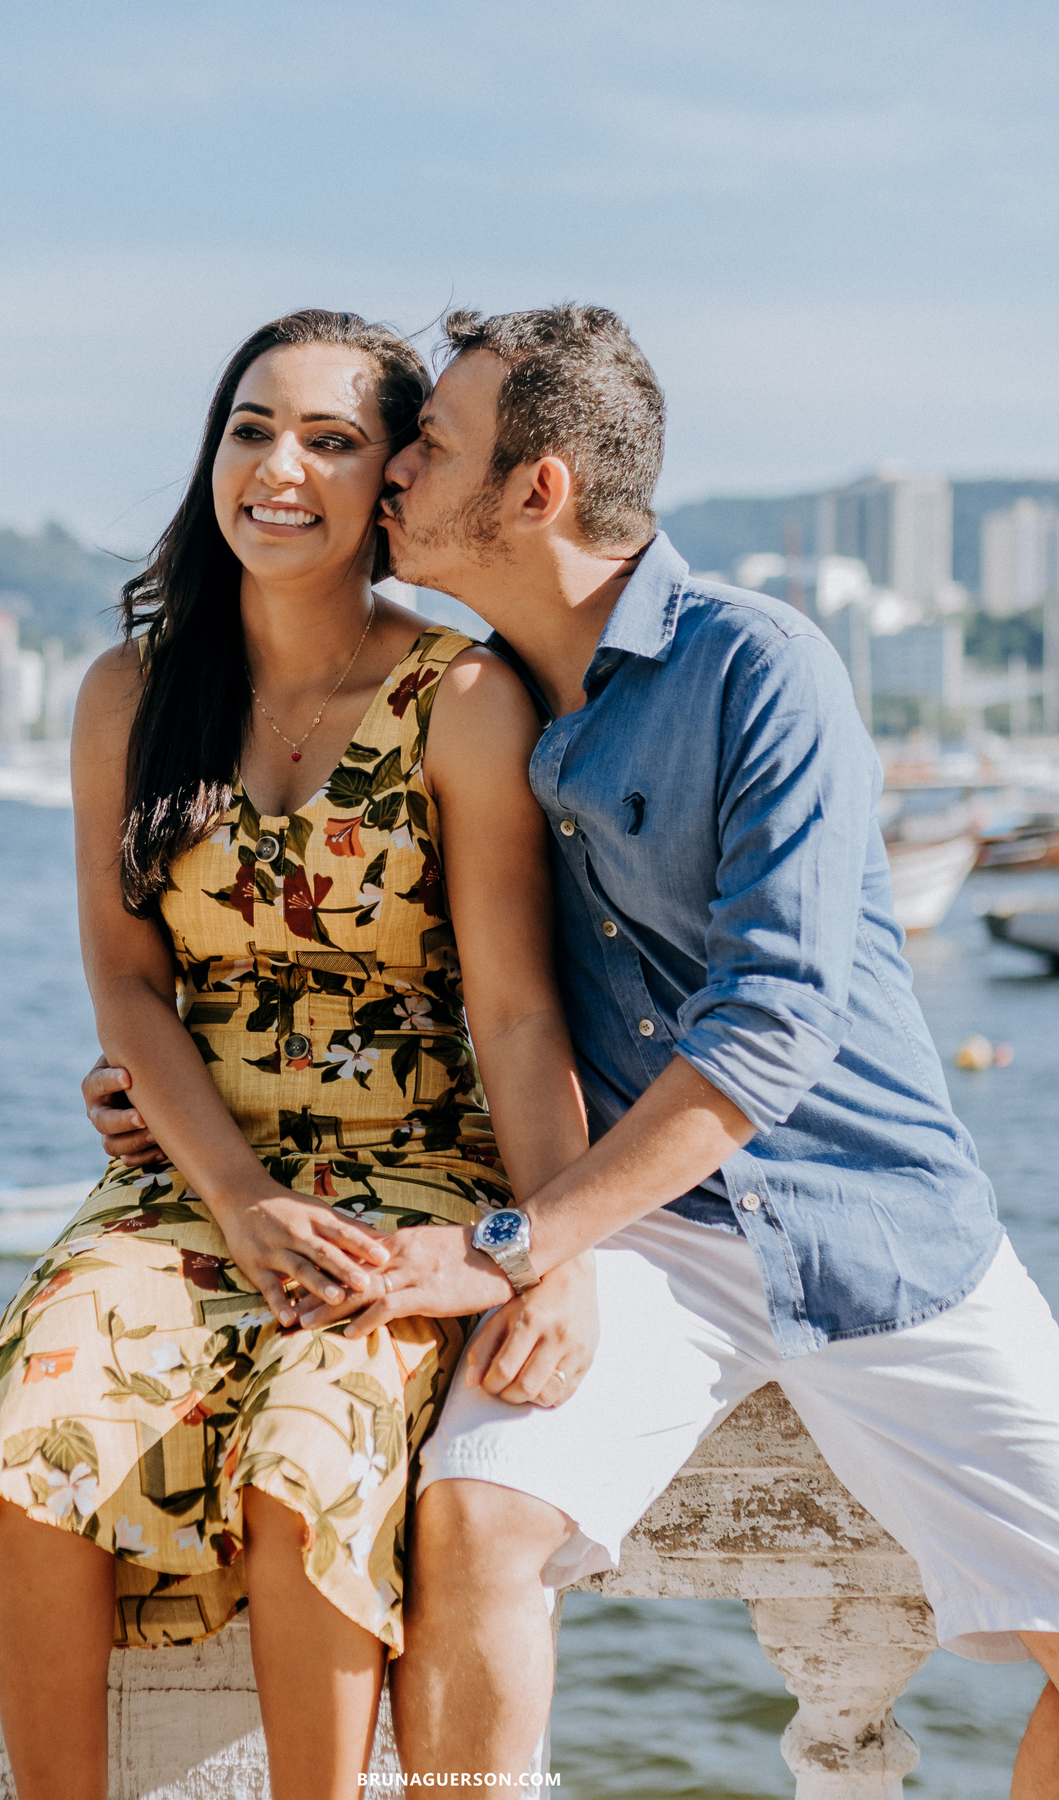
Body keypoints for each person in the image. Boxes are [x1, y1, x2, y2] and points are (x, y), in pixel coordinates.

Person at [94, 303, 1059, 1795]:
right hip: (648, 1233)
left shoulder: (759, 666)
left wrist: (521, 1242)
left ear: (534, 492)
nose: (395, 474)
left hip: (877, 1228)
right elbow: (424, 976)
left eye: (432, 445)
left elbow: (778, 1024)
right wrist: (172, 1083)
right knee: (478, 1518)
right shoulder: (468, 696)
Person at [0, 309, 599, 1800]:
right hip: (198, 1169)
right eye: (251, 427)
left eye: (332, 440)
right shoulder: (133, 695)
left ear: (391, 488)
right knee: (34, 1436)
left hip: (409, 1179)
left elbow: (517, 1011)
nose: (278, 468)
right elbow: (127, 978)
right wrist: (235, 1199)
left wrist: (559, 1250)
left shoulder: (462, 701)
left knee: (310, 1457)